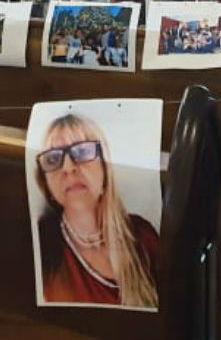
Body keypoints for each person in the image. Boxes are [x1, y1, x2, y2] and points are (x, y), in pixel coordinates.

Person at [33, 113, 159, 307]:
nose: (68, 168)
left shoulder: (142, 235)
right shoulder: (41, 243)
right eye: (52, 159)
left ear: (105, 166)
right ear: (46, 182)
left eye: (82, 152)